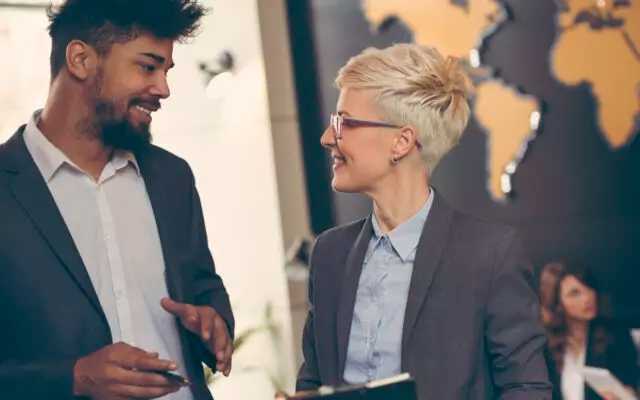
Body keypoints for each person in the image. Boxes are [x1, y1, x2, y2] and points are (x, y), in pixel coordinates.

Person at [286, 43, 552, 399]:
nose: (327, 137)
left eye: (344, 122)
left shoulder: (489, 253)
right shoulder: (330, 253)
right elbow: (313, 382)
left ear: (402, 141)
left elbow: (526, 388)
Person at [0, 1, 234, 399]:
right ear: (80, 59)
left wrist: (214, 321)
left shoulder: (173, 178)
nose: (163, 88)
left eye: (166, 71)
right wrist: (74, 378)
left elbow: (203, 286)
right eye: (147, 66)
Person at [541, 261, 638, 400]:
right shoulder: (545, 345)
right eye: (575, 293)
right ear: (558, 304)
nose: (587, 298)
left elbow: (629, 386)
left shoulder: (616, 337)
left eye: (588, 288)